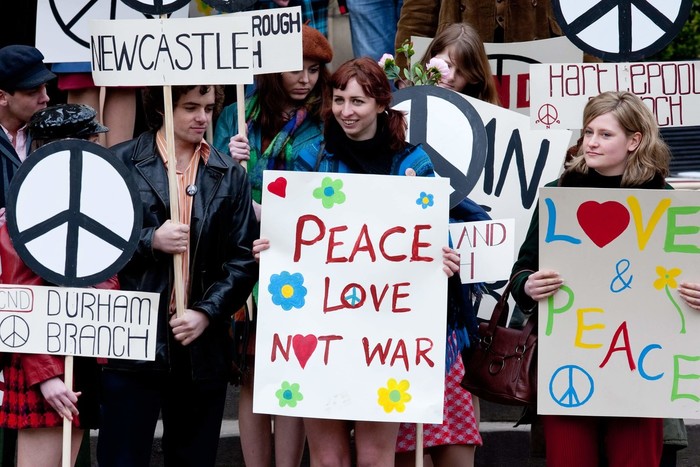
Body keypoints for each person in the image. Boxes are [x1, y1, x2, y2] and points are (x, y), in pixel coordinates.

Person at [509, 90, 696, 467]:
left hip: (642, 372)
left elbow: (688, 273)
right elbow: (522, 270)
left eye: (605, 134)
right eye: (589, 132)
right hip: (568, 367)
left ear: (634, 140)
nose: (591, 142)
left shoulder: (665, 200)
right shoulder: (559, 194)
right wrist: (528, 285)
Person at [291, 56, 460, 466]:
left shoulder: (414, 164)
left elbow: (436, 233)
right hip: (322, 324)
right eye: (338, 100)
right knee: (328, 458)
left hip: (386, 332)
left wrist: (443, 256)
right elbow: (292, 228)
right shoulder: (310, 158)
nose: (346, 111)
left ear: (382, 104)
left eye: (358, 102)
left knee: (374, 456)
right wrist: (273, 245)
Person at [96, 84, 259, 467]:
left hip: (200, 344)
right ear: (161, 108)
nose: (202, 117)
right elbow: (95, 242)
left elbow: (242, 259)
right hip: (134, 338)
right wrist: (149, 240)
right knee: (122, 456)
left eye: (208, 108)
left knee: (193, 457)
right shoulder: (121, 162)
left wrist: (206, 312)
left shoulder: (229, 174)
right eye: (190, 107)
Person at [212, 24, 332, 467]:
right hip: (244, 254)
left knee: (291, 370)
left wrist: (277, 212)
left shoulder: (327, 117)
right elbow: (209, 178)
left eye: (314, 70)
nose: (305, 79)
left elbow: (330, 189)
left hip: (300, 254)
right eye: (296, 69)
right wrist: (229, 162)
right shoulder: (236, 113)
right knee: (252, 373)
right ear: (272, 70)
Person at [393, 23, 497, 467]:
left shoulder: (493, 129)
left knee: (459, 394)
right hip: (403, 293)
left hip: (458, 299)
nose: (449, 74)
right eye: (443, 62)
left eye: (460, 68)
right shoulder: (399, 116)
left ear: (475, 76)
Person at [0, 103, 114, 467]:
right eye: (89, 142)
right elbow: (19, 300)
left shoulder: (98, 202)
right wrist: (46, 376)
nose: (97, 150)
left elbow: (109, 272)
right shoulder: (25, 209)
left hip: (83, 350)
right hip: (41, 359)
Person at [394, 0, 562, 68]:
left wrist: (581, 65)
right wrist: (406, 68)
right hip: (458, 55)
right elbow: (418, 12)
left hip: (537, 52)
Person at [0, 44, 55, 208]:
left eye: (45, 88)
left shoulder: (54, 133)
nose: (45, 98)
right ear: (2, 97)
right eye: (32, 92)